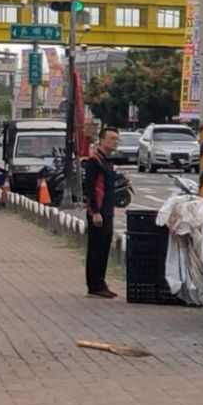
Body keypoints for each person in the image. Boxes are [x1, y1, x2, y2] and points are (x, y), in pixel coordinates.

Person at [84, 127, 121, 299]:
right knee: (96, 249)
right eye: (112, 138)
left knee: (104, 247)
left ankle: (101, 282)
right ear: (101, 140)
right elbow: (91, 189)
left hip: (108, 210)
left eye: (117, 139)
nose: (115, 141)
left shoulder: (106, 161)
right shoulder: (94, 161)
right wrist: (95, 212)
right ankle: (94, 285)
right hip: (98, 212)